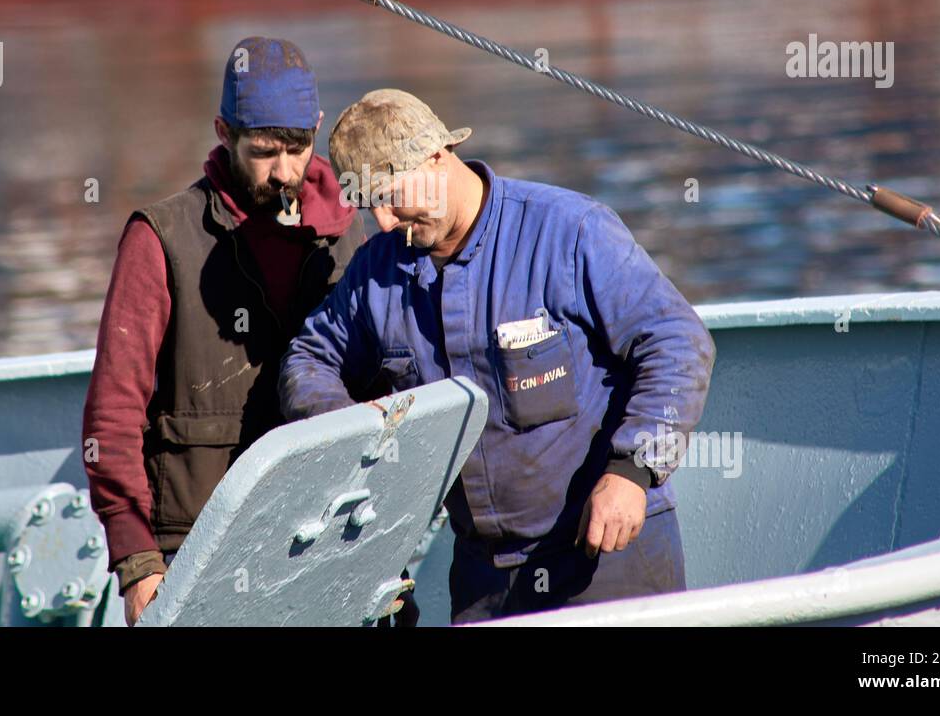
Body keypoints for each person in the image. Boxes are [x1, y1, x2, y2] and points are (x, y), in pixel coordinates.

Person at [278, 89, 716, 623]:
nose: (387, 222)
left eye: (391, 196)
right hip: (483, 580)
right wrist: (361, 430)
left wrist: (634, 471)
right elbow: (308, 361)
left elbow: (677, 341)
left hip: (606, 558)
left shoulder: (569, 232)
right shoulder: (377, 273)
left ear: (438, 157)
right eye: (371, 206)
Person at [82, 37, 364, 626]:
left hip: (326, 531)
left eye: (298, 147)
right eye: (263, 152)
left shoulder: (351, 235)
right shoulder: (159, 239)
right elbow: (112, 413)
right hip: (196, 544)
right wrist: (138, 562)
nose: (285, 171)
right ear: (222, 131)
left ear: (315, 127)